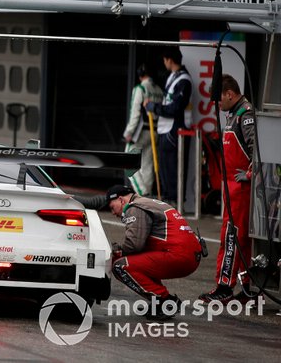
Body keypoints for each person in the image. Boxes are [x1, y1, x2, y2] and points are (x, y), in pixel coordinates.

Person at [199, 74, 256, 303]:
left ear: (230, 94)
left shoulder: (246, 114)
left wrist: (250, 174)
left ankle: (224, 287)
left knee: (232, 237)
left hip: (241, 190)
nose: (217, 104)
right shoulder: (233, 113)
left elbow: (259, 152)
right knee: (238, 239)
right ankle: (249, 290)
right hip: (231, 189)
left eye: (219, 99)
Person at [107, 184, 202, 319]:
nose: (113, 213)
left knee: (120, 265)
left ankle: (165, 301)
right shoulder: (151, 203)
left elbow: (134, 245)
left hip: (178, 256)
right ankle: (159, 300)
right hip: (189, 255)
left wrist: (114, 251)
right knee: (139, 259)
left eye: (112, 207)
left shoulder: (135, 207)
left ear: (121, 200)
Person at [144, 47, 192, 205]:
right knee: (164, 167)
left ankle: (174, 202)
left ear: (169, 60)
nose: (164, 63)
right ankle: (166, 199)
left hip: (175, 129)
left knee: (173, 168)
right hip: (165, 128)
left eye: (164, 60)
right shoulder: (172, 76)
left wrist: (154, 107)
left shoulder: (184, 80)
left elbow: (175, 108)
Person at [123, 64, 164, 196]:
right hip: (155, 131)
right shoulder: (159, 90)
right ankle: (147, 197)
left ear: (140, 75)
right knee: (147, 165)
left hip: (140, 132)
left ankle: (143, 193)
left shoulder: (140, 88)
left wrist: (128, 132)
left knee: (127, 161)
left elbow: (135, 113)